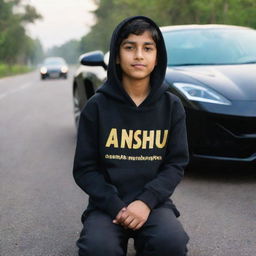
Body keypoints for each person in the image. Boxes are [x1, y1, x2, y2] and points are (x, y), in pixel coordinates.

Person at [73, 15, 189, 256]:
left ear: (157, 57)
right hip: (107, 206)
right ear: (116, 55)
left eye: (147, 48)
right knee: (97, 248)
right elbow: (85, 169)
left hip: (153, 204)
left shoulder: (171, 106)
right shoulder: (96, 107)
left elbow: (175, 164)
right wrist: (117, 207)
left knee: (171, 243)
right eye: (129, 47)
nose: (138, 55)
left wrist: (146, 202)